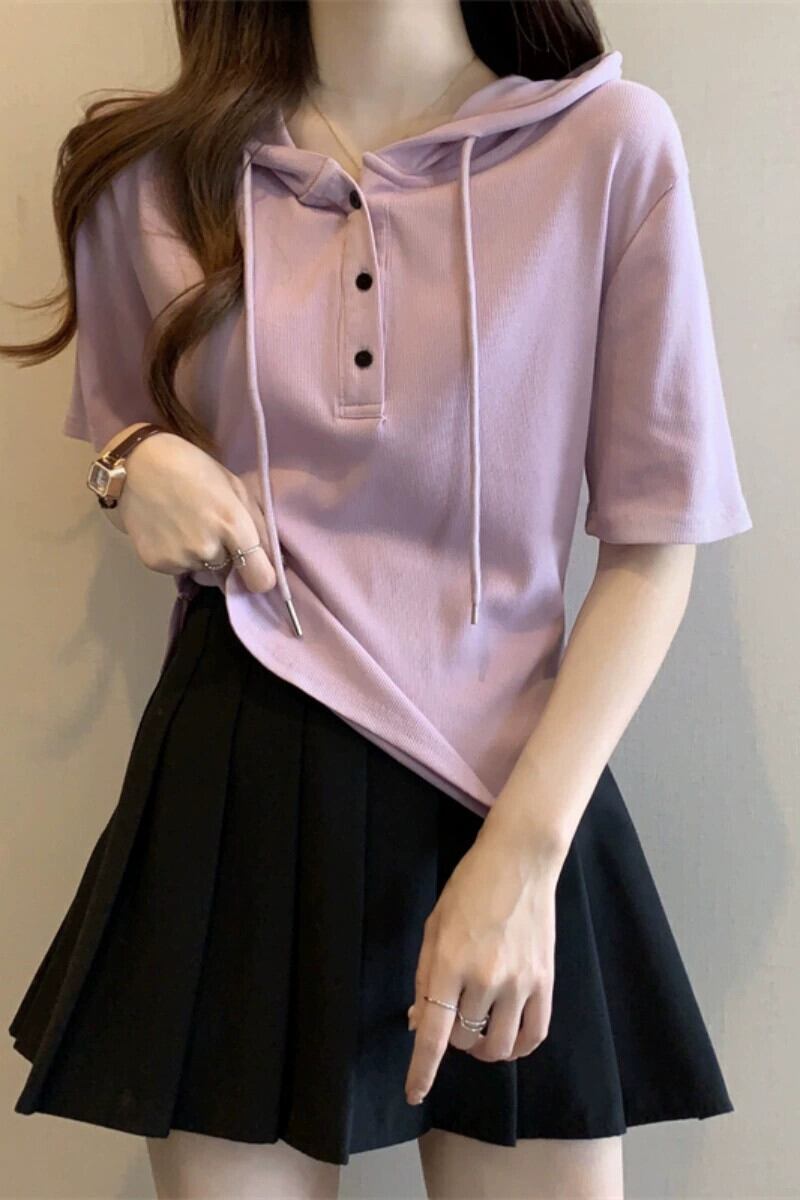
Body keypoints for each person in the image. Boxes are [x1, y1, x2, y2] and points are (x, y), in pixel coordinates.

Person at [3, 1, 753, 1197]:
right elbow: (123, 435)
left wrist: (522, 861)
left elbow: (653, 543)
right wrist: (129, 465)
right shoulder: (144, 175)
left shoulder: (607, 145)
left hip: (513, 784)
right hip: (238, 780)